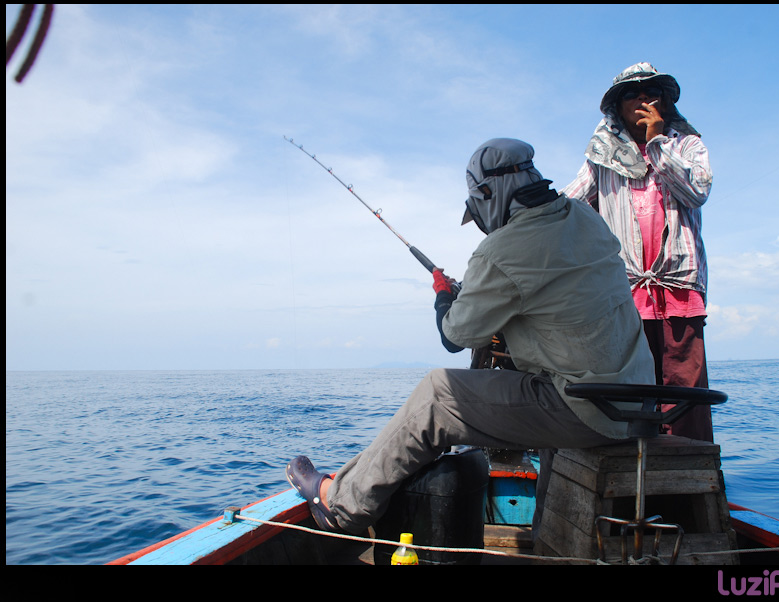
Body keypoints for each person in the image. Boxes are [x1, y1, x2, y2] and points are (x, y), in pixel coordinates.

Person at [286, 138, 655, 535]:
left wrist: (445, 295)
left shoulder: (501, 250)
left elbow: (455, 335)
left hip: (587, 409)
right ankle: (548, 535)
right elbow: (557, 296)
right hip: (638, 402)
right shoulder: (584, 216)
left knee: (436, 395)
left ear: (486, 194)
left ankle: (343, 504)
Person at [562, 62, 714, 442]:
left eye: (653, 92)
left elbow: (695, 191)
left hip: (679, 286)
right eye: (633, 93)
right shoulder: (600, 159)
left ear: (664, 101)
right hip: (625, 290)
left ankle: (687, 471)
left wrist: (657, 141)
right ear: (618, 105)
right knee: (629, 384)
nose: (644, 98)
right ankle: (629, 467)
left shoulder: (686, 145)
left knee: (684, 387)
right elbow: (568, 206)